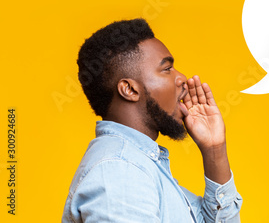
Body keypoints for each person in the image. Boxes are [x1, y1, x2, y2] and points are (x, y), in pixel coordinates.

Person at [62, 18, 243, 222]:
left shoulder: (139, 166)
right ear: (130, 90)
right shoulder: (121, 170)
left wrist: (214, 149)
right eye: (167, 69)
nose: (182, 78)